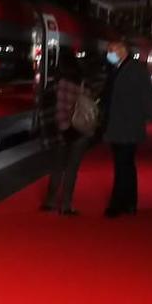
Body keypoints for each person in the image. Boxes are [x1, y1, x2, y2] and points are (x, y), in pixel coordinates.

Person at [102, 41, 152, 217]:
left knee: (122, 165)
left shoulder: (135, 70)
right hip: (119, 125)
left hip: (128, 126)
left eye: (111, 51)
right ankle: (129, 202)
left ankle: (117, 204)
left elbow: (147, 97)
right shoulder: (118, 69)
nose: (108, 54)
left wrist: (145, 117)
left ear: (122, 51)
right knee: (126, 165)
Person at [41, 56, 97, 215]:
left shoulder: (56, 85)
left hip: (61, 131)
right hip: (79, 130)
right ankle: (66, 204)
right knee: (72, 169)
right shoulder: (83, 84)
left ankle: (50, 201)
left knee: (57, 167)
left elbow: (51, 109)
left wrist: (60, 127)